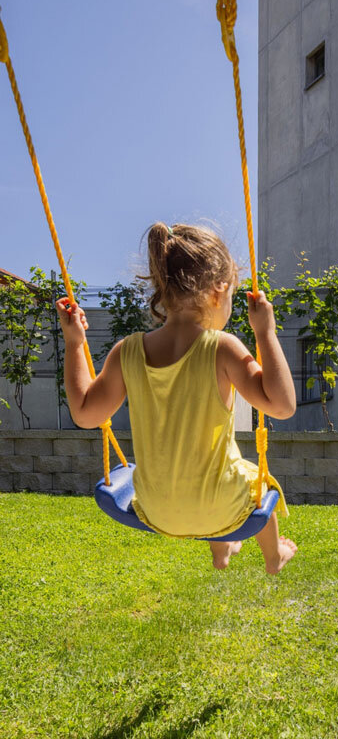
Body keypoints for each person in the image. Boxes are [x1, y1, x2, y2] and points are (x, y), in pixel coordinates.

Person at [56, 222, 298, 574]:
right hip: (221, 507)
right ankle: (274, 556)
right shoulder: (223, 348)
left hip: (157, 511)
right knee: (253, 477)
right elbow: (283, 405)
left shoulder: (127, 351)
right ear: (219, 290)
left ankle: (222, 552)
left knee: (215, 473)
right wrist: (266, 333)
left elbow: (84, 413)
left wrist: (74, 343)